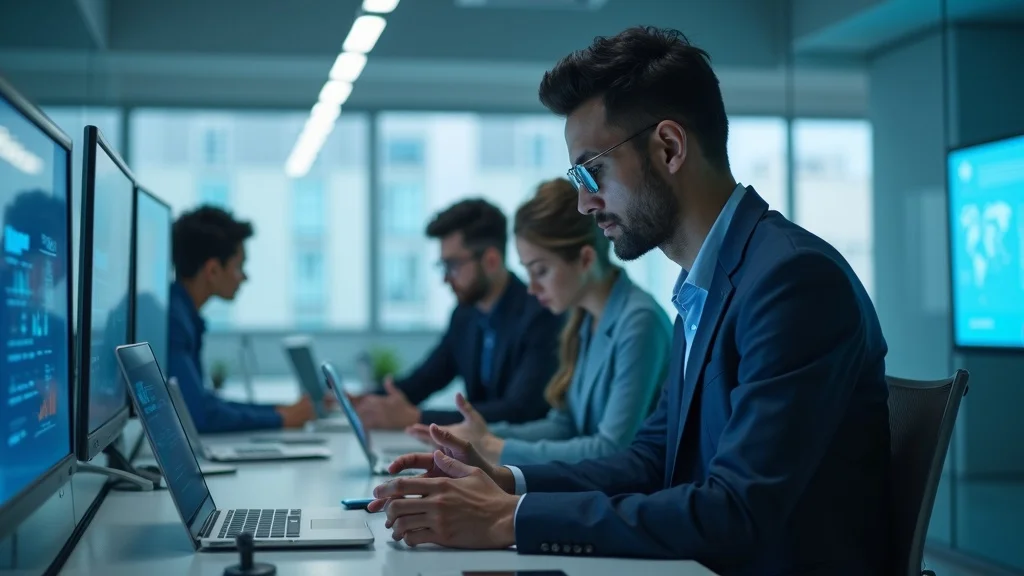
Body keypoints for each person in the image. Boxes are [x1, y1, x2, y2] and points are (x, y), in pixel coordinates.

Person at [369, 26, 890, 576]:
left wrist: (511, 518)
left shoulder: (792, 280)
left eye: (591, 170)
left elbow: (735, 510)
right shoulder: (704, 287)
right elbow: (649, 462)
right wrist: (507, 481)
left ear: (669, 147)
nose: (584, 202)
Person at [407, 178, 672, 466]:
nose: (531, 289)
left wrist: (494, 447)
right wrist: (476, 435)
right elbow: (565, 425)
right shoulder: (584, 319)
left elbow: (610, 450)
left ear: (585, 260)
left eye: (541, 271)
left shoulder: (639, 322)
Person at [353, 199, 563, 429]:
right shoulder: (465, 316)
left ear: (491, 261)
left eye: (453, 265)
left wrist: (417, 419)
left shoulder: (541, 315)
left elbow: (518, 410)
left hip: (516, 456)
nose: (445, 279)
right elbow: (425, 379)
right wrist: (362, 401)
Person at [169, 205, 316, 433]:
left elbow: (205, 402)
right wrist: (279, 419)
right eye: (239, 266)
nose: (244, 277)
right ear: (213, 270)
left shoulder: (181, 313)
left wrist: (279, 411)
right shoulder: (173, 321)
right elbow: (199, 414)